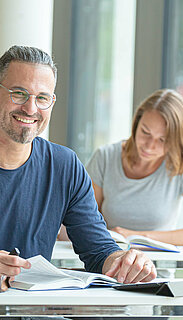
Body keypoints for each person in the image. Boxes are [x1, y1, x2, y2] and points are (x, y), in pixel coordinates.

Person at [0, 45, 156, 289]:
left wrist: (125, 262)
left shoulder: (65, 165)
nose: (31, 109)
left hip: (35, 311)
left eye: (42, 98)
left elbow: (98, 250)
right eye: (18, 94)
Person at [85, 89, 183, 252]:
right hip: (107, 266)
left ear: (176, 141)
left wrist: (138, 237)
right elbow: (83, 221)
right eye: (145, 132)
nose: (149, 145)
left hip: (157, 270)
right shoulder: (105, 158)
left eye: (162, 140)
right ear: (136, 124)